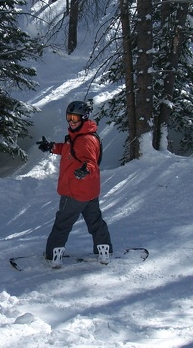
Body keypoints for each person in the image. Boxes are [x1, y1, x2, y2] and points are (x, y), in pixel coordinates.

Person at [36, 100, 113, 268]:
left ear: (84, 118)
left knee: (62, 223)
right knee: (95, 222)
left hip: (74, 191)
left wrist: (86, 169)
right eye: (68, 117)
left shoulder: (85, 140)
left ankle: (53, 256)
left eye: (75, 118)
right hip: (89, 191)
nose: (71, 121)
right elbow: (70, 150)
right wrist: (52, 147)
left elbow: (90, 161)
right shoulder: (79, 135)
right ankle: (104, 250)